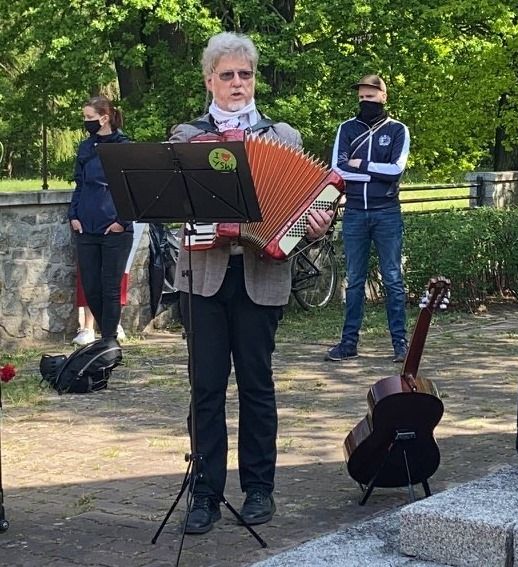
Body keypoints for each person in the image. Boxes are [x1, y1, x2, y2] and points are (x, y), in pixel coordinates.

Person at [169, 32, 333, 535]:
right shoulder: (186, 138)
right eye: (227, 75)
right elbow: (172, 208)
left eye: (245, 74)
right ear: (209, 81)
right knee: (206, 388)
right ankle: (205, 493)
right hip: (205, 277)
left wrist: (314, 224)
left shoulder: (283, 137)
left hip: (262, 274)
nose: (237, 83)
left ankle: (260, 487)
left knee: (258, 387)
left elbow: (309, 206)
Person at [326, 75, 410, 363]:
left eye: (370, 98)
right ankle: (348, 343)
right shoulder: (346, 129)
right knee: (353, 281)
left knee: (393, 279)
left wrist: (360, 164)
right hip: (354, 214)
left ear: (383, 97)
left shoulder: (398, 130)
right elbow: (337, 170)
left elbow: (396, 170)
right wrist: (374, 171)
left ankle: (400, 343)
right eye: (362, 98)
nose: (365, 102)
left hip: (387, 211)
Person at [68, 96, 133, 341]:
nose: (86, 122)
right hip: (85, 226)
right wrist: (73, 215)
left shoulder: (123, 146)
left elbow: (131, 188)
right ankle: (105, 333)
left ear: (104, 118)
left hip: (115, 228)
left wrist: (122, 222)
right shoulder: (86, 147)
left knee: (110, 287)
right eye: (85, 118)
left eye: (89, 118)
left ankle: (107, 339)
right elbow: (80, 183)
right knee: (92, 287)